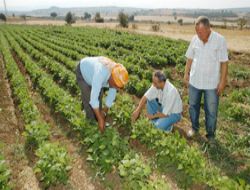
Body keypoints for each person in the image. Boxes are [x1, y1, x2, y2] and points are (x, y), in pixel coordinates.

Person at [184, 16, 229, 143]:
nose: (198, 34)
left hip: (211, 83)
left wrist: (222, 81)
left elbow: (224, 63)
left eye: (201, 32)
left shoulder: (219, 40)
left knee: (211, 110)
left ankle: (211, 135)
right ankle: (194, 128)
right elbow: (190, 58)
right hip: (195, 80)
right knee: (193, 106)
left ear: (209, 28)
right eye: (196, 31)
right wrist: (186, 73)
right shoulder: (195, 39)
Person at [75, 56, 129, 133]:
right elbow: (93, 100)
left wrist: (103, 112)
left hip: (94, 76)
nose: (115, 87)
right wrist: (100, 119)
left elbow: (111, 95)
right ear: (111, 78)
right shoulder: (101, 73)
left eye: (117, 86)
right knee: (89, 99)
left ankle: (97, 119)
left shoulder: (115, 74)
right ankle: (91, 124)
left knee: (99, 97)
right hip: (83, 72)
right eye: (115, 85)